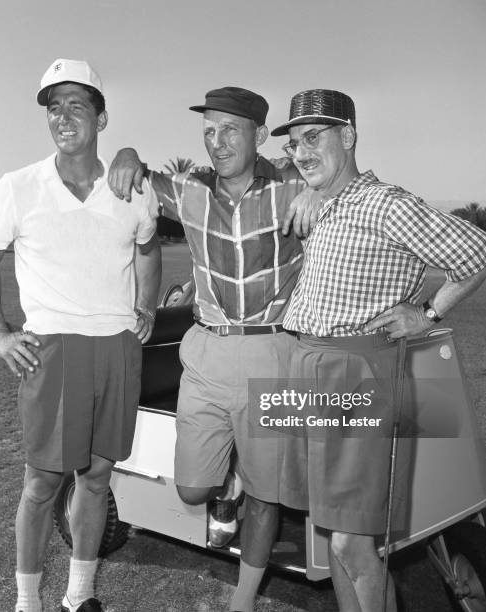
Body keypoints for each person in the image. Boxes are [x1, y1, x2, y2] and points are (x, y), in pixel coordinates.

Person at [270, 88, 486, 612]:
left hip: (357, 370)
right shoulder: (327, 201)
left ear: (348, 136)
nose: (302, 152)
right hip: (313, 365)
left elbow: (481, 250)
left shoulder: (385, 204)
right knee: (333, 533)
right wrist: (309, 189)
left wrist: (430, 314)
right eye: (295, 143)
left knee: (352, 540)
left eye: (315, 138)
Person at [109, 86, 317, 612]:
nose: (216, 143)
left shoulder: (295, 184)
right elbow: (136, 176)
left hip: (274, 354)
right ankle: (228, 485)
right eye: (208, 132)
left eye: (229, 130)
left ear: (260, 136)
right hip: (205, 355)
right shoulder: (188, 189)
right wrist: (127, 153)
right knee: (191, 490)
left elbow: (354, 183)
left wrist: (323, 190)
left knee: (268, 496)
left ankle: (244, 597)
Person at [0, 58, 161, 612]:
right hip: (52, 349)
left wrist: (146, 304)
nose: (63, 116)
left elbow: (148, 249)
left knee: (99, 478)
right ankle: (27, 602)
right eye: (54, 107)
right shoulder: (18, 186)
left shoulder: (134, 188)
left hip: (117, 348)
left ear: (102, 118)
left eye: (77, 104)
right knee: (41, 484)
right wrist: (0, 334)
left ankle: (80, 596)